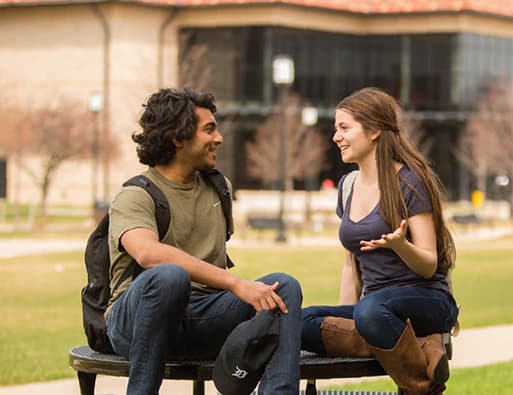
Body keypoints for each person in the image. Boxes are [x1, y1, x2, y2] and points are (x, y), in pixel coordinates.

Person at [105, 88, 302, 395]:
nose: (220, 138)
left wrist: (241, 291)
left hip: (203, 317)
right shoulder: (135, 195)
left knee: (283, 286)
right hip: (136, 322)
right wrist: (236, 283)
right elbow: (148, 254)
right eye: (209, 130)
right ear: (177, 138)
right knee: (170, 276)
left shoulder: (219, 187)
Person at [301, 87, 458, 395]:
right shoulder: (347, 186)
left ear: (373, 131)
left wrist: (401, 245)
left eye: (344, 128)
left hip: (427, 300)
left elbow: (429, 265)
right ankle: (423, 347)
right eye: (336, 129)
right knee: (300, 321)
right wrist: (343, 323)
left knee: (370, 310)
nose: (336, 137)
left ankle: (421, 388)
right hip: (374, 308)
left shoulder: (409, 182)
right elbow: (351, 265)